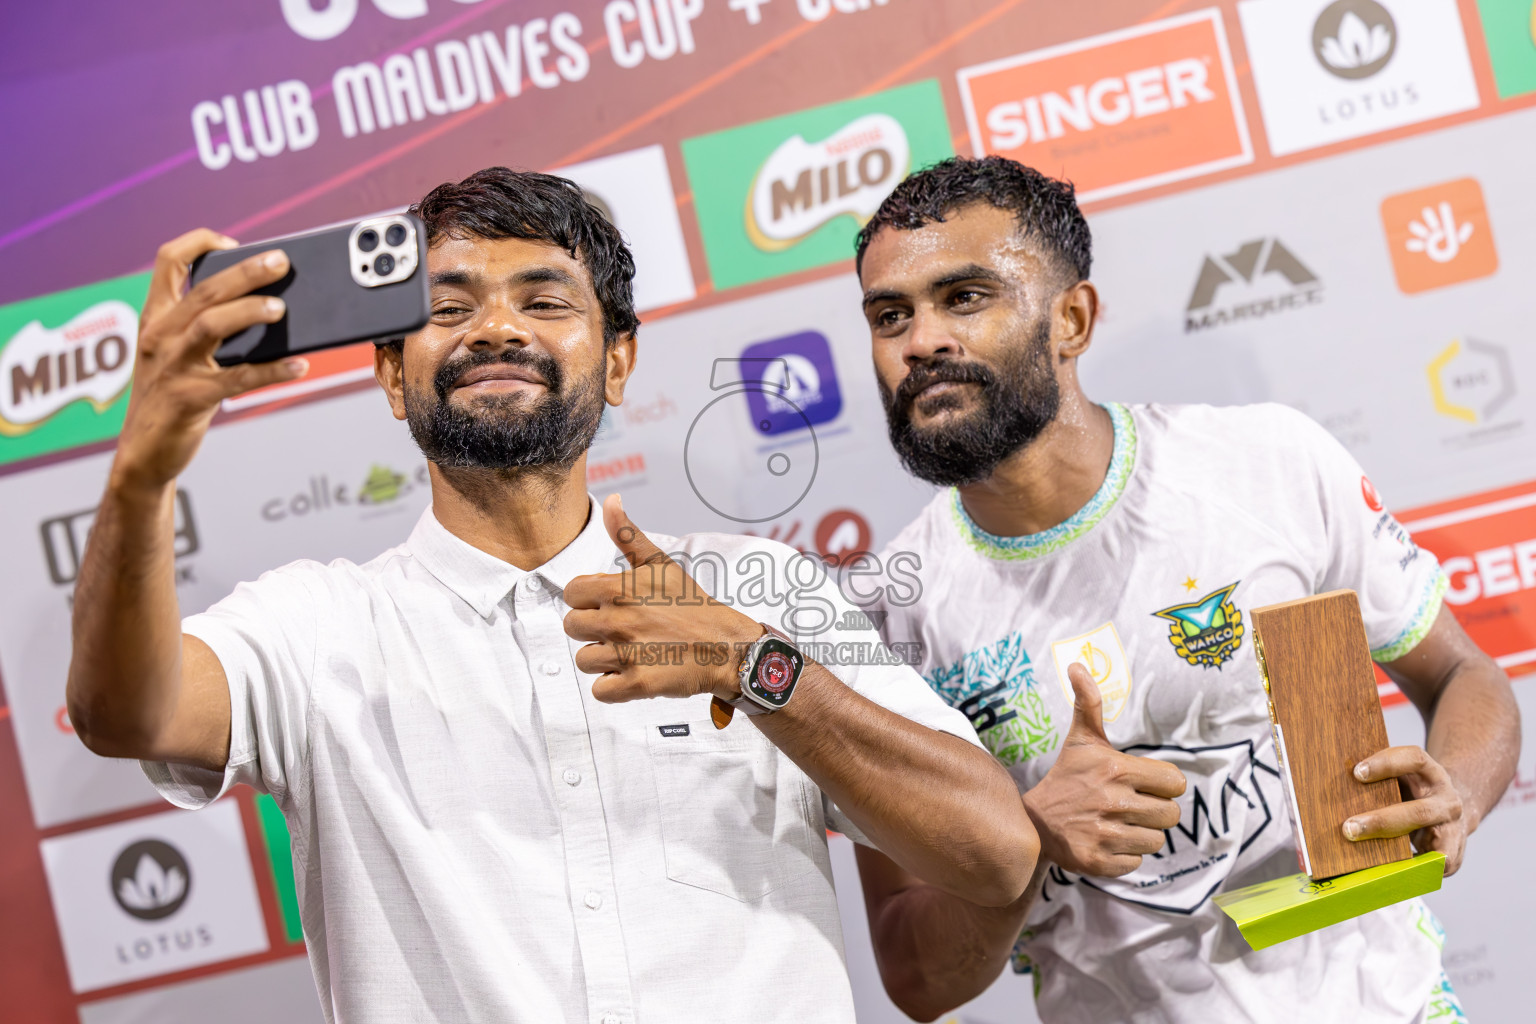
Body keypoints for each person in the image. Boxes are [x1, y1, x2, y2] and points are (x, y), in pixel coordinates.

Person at [65, 167, 1039, 1024]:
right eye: (447, 309)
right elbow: (123, 713)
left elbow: (995, 852)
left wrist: (755, 668)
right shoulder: (316, 627)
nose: (495, 328)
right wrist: (142, 470)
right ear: (391, 379)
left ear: (617, 360)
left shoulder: (752, 587)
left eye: (543, 300)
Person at [850, 156, 1520, 1024]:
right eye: (889, 315)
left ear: (1073, 319)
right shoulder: (883, 617)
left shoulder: (1269, 465)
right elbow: (914, 977)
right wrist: (1030, 841)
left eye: (965, 298)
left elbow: (1466, 676)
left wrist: (1457, 793)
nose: (921, 342)